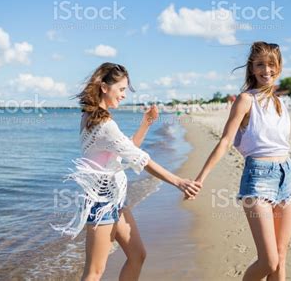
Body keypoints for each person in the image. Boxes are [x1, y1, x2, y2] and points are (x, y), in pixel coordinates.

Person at [51, 62, 202, 281]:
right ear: (104, 87)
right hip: (101, 204)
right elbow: (142, 159)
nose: (124, 95)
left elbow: (127, 152)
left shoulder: (93, 117)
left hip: (114, 200)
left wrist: (146, 123)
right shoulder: (104, 124)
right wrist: (179, 182)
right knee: (94, 273)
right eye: (121, 89)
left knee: (137, 254)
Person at [192, 42, 291, 281]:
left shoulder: (280, 103)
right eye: (260, 65)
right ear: (252, 68)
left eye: (271, 64)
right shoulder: (246, 100)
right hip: (257, 179)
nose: (266, 70)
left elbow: (281, 148)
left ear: (278, 67)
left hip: (286, 177)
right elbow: (225, 140)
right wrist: (200, 178)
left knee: (281, 256)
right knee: (269, 260)